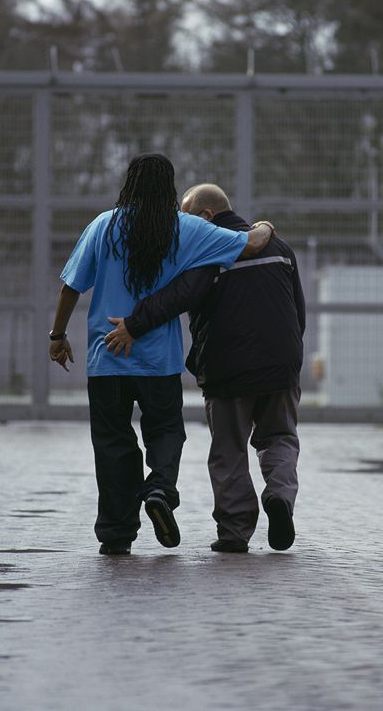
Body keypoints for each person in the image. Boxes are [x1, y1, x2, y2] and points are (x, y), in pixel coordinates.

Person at [49, 156, 274, 556]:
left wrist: (58, 335)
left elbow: (71, 286)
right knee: (167, 432)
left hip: (107, 360)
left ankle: (117, 533)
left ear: (128, 185)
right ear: (169, 188)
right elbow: (252, 244)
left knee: (112, 442)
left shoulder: (103, 226)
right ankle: (159, 489)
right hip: (159, 361)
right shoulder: (187, 229)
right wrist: (265, 225)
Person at [104, 183, 304, 553]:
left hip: (228, 368)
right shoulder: (280, 248)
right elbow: (298, 310)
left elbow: (178, 296)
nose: (181, 228)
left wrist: (134, 323)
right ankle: (278, 496)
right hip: (282, 364)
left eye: (186, 218)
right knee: (280, 438)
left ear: (207, 216)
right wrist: (289, 356)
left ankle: (234, 532)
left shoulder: (210, 252)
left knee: (228, 449)